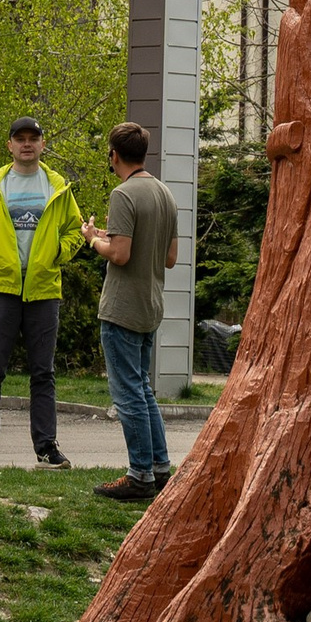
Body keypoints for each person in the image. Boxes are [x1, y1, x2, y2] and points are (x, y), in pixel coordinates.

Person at [0, 116, 83, 469]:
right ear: (10, 145)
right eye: (20, 139)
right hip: (1, 287)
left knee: (43, 372)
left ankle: (46, 448)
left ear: (42, 144)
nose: (27, 144)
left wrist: (58, 253)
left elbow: (74, 230)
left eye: (33, 138)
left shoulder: (57, 185)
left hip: (44, 290)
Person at [82, 120, 177, 504]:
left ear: (114, 155)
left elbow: (120, 255)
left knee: (128, 396)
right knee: (144, 390)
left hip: (122, 308)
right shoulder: (164, 193)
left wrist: (93, 240)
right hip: (151, 304)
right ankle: (159, 468)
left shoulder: (123, 194)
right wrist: (113, 238)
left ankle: (138, 474)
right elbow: (169, 258)